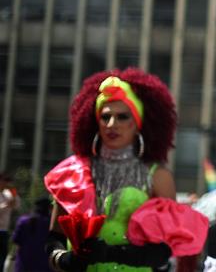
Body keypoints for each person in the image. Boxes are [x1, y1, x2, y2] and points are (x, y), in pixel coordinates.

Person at [44, 68, 205, 271]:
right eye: (105, 116)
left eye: (122, 117)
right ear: (96, 121)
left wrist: (111, 253)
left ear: (137, 124)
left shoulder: (158, 176)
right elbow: (54, 239)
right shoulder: (72, 172)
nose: (112, 124)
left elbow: (163, 251)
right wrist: (64, 259)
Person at [11, 197, 50, 271]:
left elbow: (16, 240)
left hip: (24, 264)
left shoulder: (23, 221)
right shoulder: (49, 223)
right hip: (43, 265)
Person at [0, 172, 18, 267]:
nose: (6, 183)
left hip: (4, 230)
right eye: (4, 181)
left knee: (3, 255)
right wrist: (5, 206)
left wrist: (14, 194)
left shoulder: (8, 194)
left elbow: (16, 206)